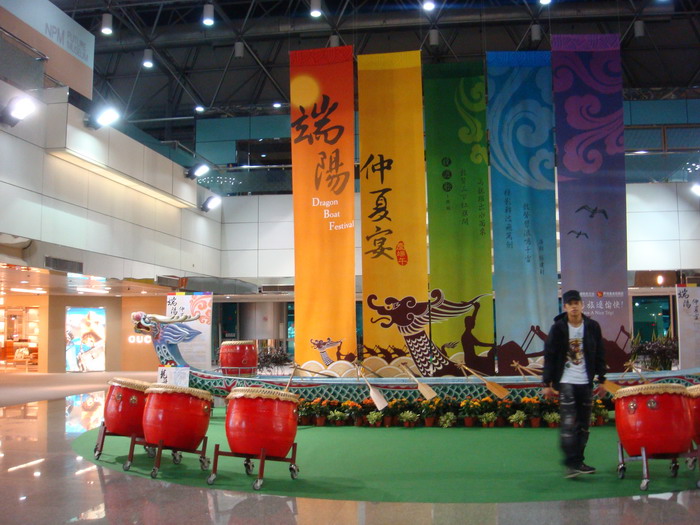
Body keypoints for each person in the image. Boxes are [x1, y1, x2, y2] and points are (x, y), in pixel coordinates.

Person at [542, 289, 607, 478]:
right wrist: (546, 383)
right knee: (569, 422)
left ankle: (578, 461)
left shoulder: (592, 327)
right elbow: (550, 356)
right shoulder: (558, 328)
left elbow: (600, 353)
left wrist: (602, 379)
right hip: (566, 381)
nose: (574, 307)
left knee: (584, 425)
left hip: (585, 382)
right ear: (565, 307)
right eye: (570, 304)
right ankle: (571, 462)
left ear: (582, 305)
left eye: (576, 303)